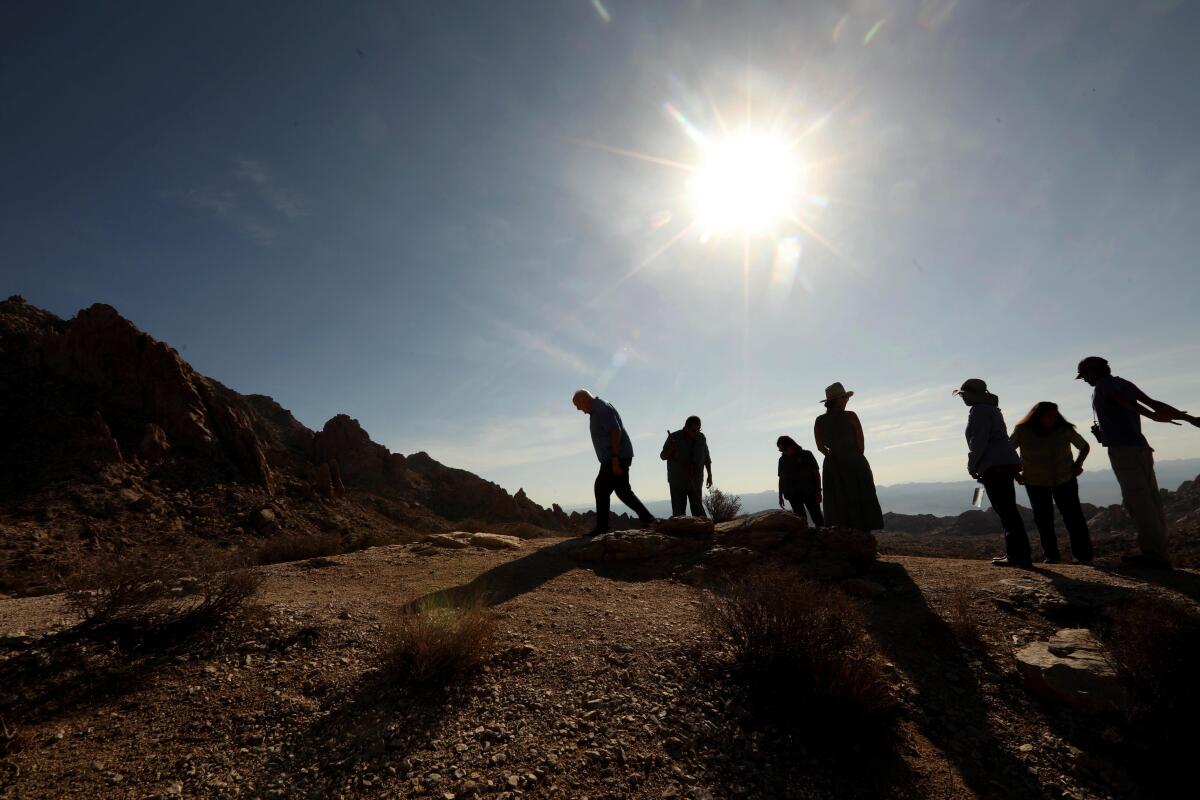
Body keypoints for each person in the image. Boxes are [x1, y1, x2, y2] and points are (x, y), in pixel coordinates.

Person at [1076, 356, 1199, 569]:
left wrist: (1152, 417)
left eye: (1085, 375)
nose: (1085, 380)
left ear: (1093, 372)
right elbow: (1153, 403)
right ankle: (1159, 552)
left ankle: (1154, 556)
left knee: (1138, 502)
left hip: (1123, 451)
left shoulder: (1105, 385)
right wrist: (1189, 419)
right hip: (1141, 449)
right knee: (1151, 500)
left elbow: (1122, 401)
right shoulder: (1124, 382)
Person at [954, 378, 1031, 568]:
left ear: (975, 395)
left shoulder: (979, 410)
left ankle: (1017, 556)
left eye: (965, 395)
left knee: (1006, 511)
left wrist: (973, 464)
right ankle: (1019, 554)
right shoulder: (992, 409)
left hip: (993, 466)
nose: (963, 399)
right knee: (1008, 510)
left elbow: (978, 441)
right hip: (1004, 464)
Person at [1010, 402, 1094, 564]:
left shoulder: (1064, 429)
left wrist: (1078, 464)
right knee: (1044, 520)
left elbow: (1084, 446)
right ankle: (1051, 556)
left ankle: (1083, 556)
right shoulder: (1023, 431)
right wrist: (1015, 473)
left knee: (1074, 518)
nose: (1053, 419)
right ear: (1037, 416)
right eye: (1048, 416)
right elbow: (1008, 451)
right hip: (1036, 482)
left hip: (1065, 479)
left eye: (1055, 415)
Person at [571, 389, 656, 535]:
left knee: (602, 488)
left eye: (577, 405)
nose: (578, 409)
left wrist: (615, 458)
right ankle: (650, 520)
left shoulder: (601, 408)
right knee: (622, 491)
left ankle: (603, 527)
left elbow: (615, 430)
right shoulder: (596, 410)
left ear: (584, 399)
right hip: (615, 456)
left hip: (616, 456)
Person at [814, 383, 883, 531]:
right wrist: (852, 456)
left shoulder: (819, 421)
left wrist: (833, 455)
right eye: (845, 398)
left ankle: (841, 535)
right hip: (854, 460)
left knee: (837, 501)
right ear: (839, 400)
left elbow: (820, 447)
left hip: (832, 464)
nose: (846, 401)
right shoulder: (851, 416)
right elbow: (861, 443)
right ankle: (863, 536)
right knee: (861, 496)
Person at [660, 416, 713, 517]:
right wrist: (670, 449)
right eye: (694, 430)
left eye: (699, 429)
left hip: (696, 481)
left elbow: (706, 457)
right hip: (678, 482)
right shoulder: (674, 437)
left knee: (699, 513)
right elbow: (663, 456)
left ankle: (702, 532)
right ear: (686, 428)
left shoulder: (701, 438)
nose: (697, 433)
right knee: (679, 515)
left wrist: (709, 475)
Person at [776, 435, 823, 526]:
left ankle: (823, 537)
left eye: (784, 449)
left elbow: (816, 474)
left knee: (817, 518)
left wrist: (818, 492)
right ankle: (806, 539)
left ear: (791, 445)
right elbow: (781, 478)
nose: (784, 452)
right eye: (781, 450)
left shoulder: (807, 455)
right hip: (793, 494)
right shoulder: (782, 460)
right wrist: (780, 495)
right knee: (800, 521)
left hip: (809, 492)